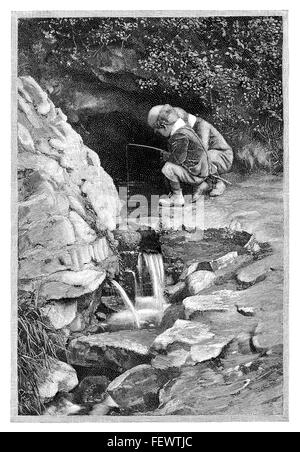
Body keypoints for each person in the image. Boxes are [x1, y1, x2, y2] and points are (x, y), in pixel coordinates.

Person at [147, 104, 211, 207]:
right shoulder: (186, 129)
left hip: (197, 174)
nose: (159, 134)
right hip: (200, 170)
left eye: (159, 131)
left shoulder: (179, 135)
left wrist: (167, 156)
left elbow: (178, 159)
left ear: (164, 126)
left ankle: (177, 197)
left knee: (168, 168)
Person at [174, 107, 233, 198]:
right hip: (210, 156)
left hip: (223, 156)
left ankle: (218, 184)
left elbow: (202, 149)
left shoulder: (202, 125)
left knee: (202, 157)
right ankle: (203, 185)